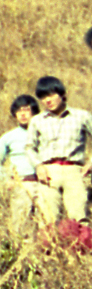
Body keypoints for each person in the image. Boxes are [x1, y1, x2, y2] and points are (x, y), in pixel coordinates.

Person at [26, 76, 92, 225]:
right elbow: (30, 147)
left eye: (51, 95)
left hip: (74, 171)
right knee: (47, 217)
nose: (48, 100)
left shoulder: (82, 116)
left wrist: (90, 163)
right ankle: (50, 249)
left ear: (62, 94)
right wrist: (38, 166)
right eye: (43, 97)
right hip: (48, 172)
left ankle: (80, 248)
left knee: (79, 217)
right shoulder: (37, 120)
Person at [0, 94, 40, 236]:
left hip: (43, 185)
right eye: (19, 111)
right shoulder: (8, 137)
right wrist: (7, 180)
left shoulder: (43, 132)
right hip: (21, 185)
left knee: (46, 226)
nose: (23, 114)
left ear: (34, 112)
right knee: (21, 227)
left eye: (26, 110)